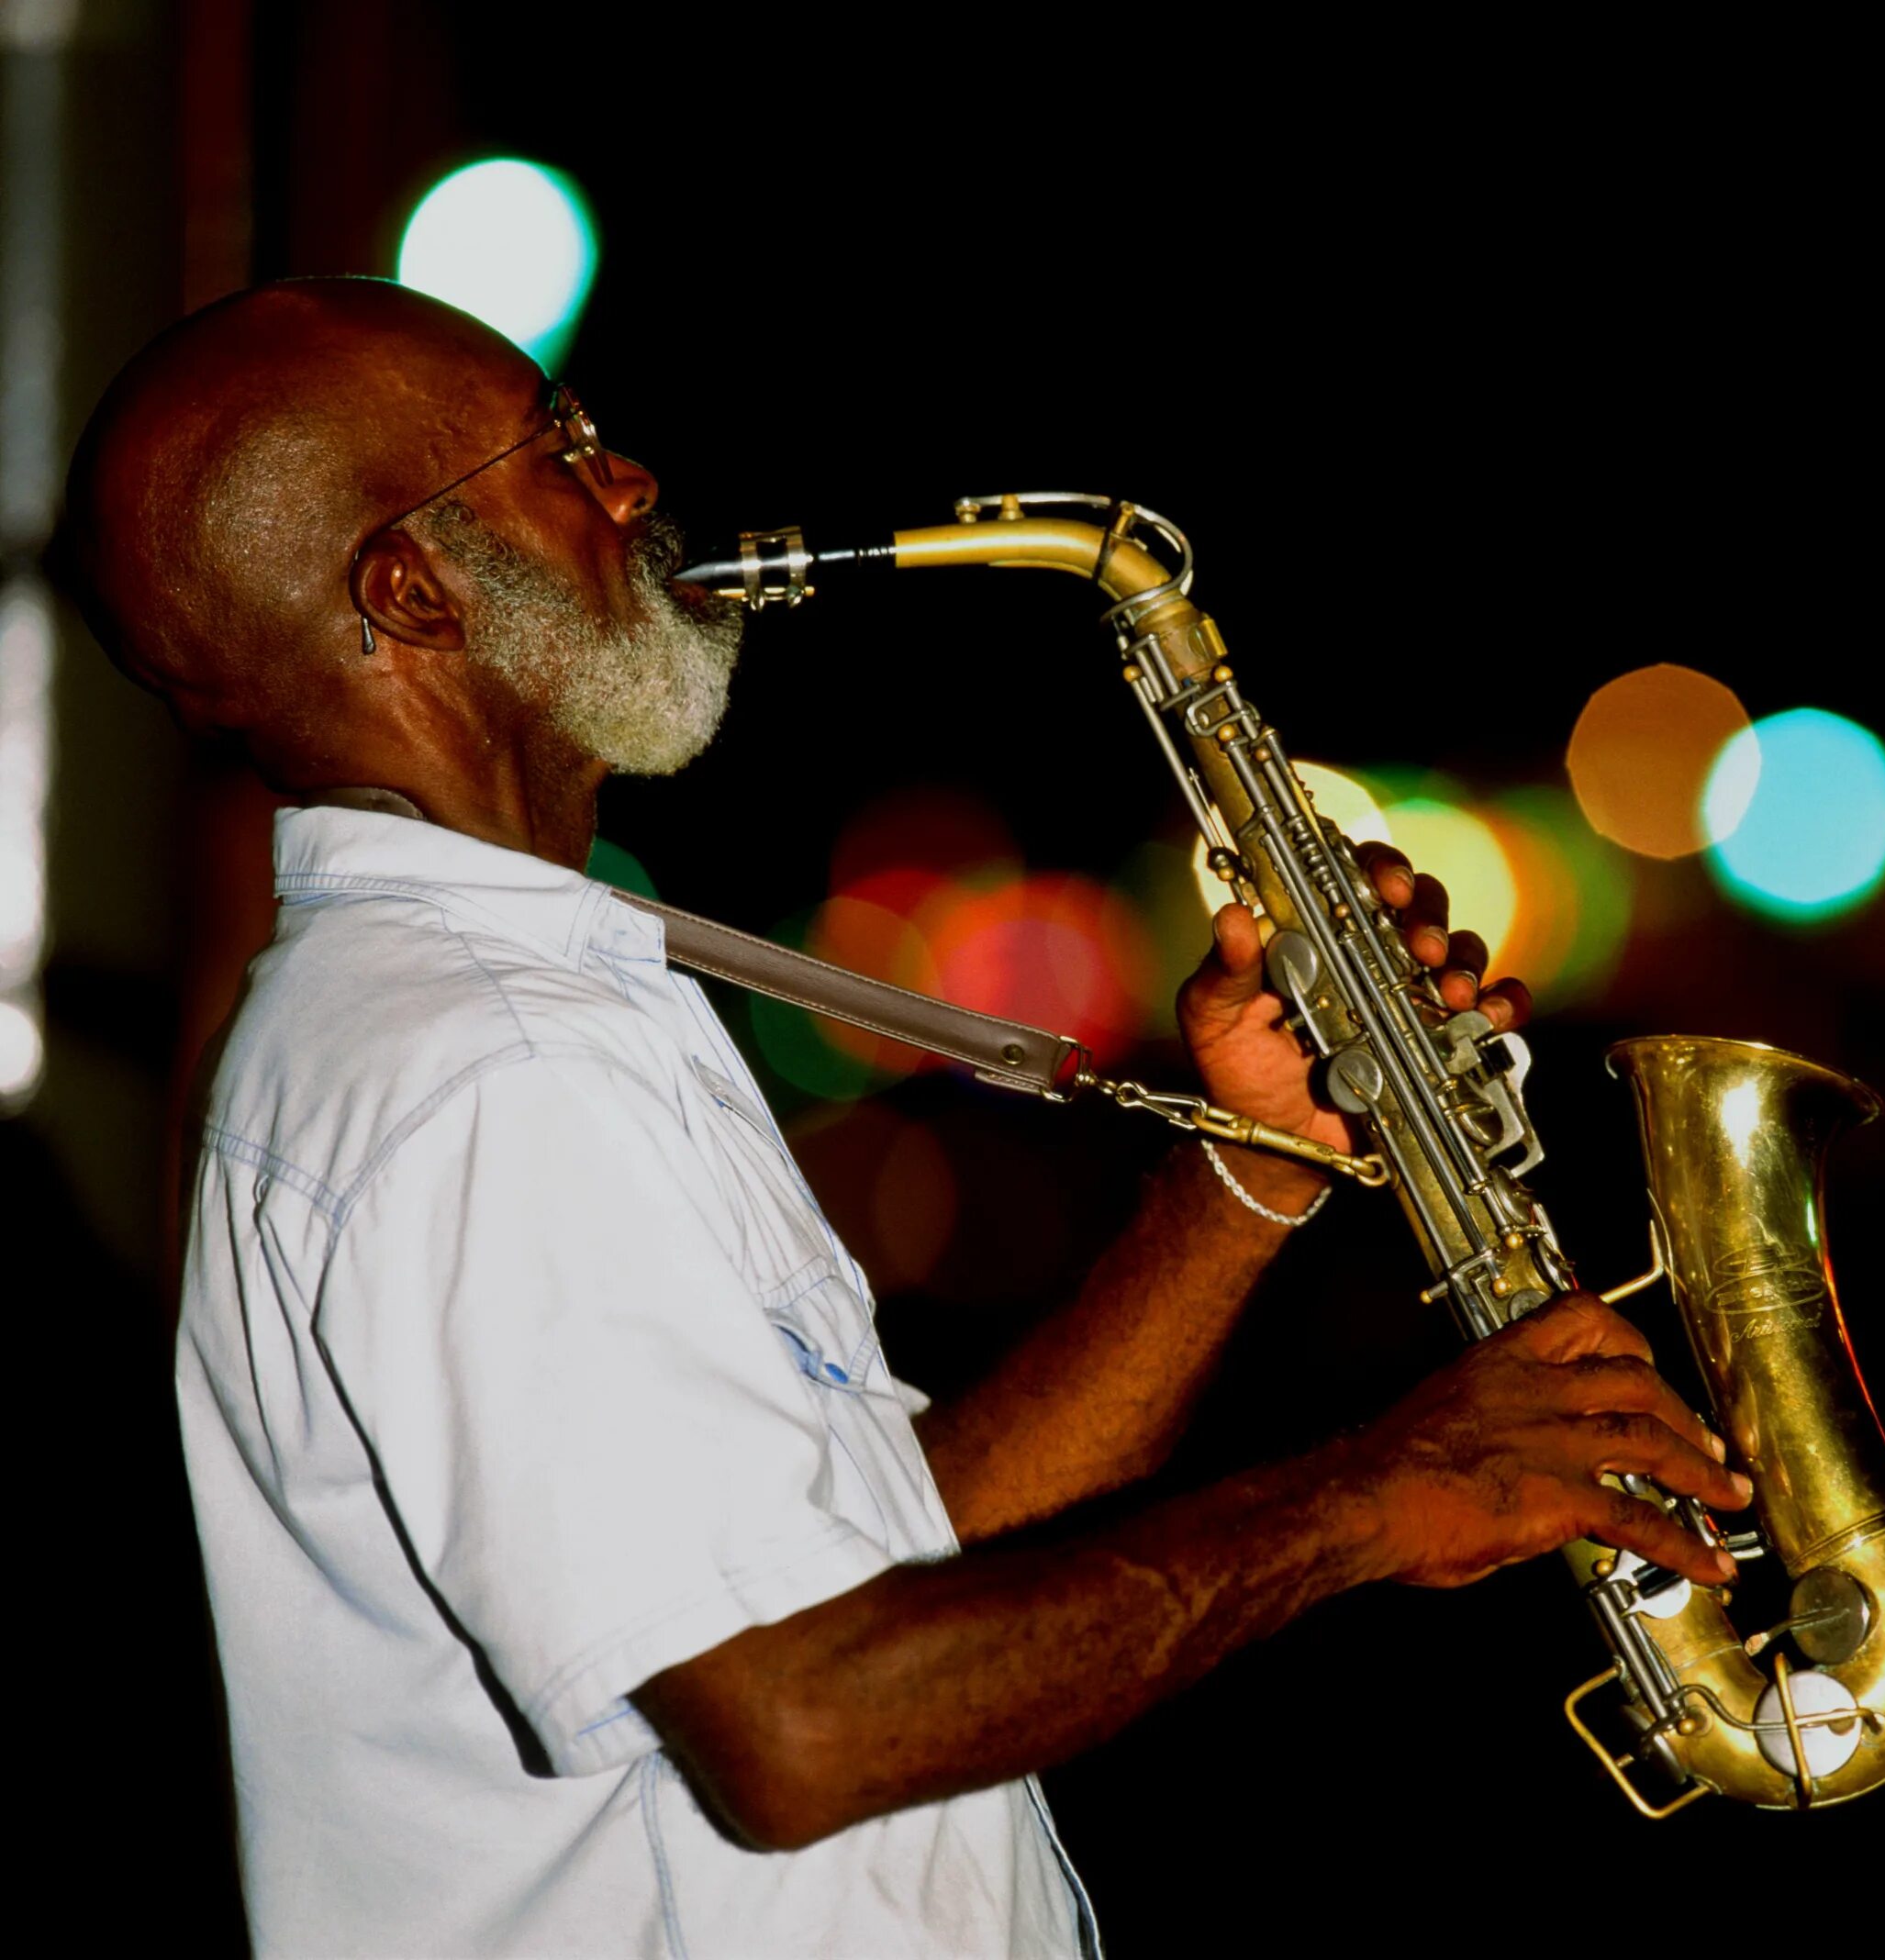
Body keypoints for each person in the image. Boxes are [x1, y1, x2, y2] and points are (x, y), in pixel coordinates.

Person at [60, 279, 1749, 1957]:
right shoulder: (481, 1068)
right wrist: (1378, 1495)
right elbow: (802, 1727)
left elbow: (881, 1550)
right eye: (558, 449)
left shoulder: (491, 1020)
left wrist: (1253, 1165)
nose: (632, 483)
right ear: (414, 591)